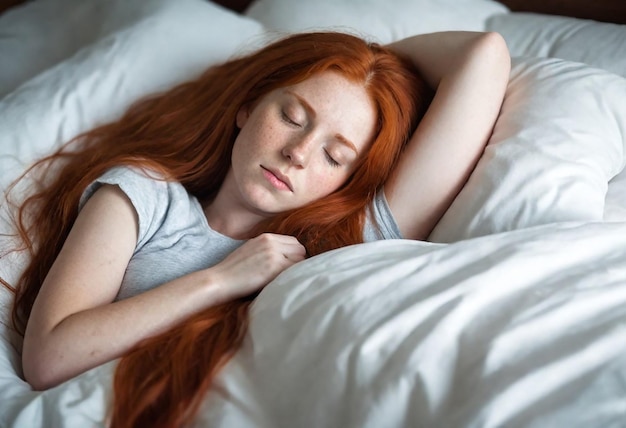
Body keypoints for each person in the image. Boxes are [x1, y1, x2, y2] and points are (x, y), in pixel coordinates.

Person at [2, 30, 509, 427]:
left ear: (347, 181)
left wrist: (376, 69)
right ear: (247, 106)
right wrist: (221, 279)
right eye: (293, 115)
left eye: (335, 155)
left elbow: (483, 57)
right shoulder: (144, 195)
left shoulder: (344, 242)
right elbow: (49, 358)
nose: (299, 153)